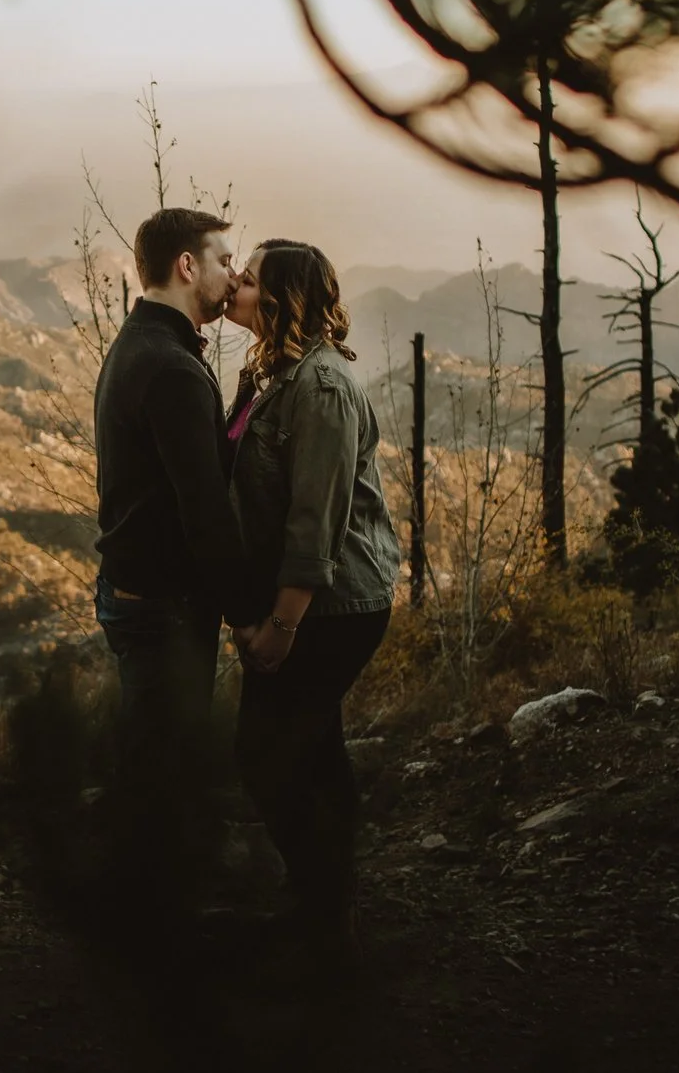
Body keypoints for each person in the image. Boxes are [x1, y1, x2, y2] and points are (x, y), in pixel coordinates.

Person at [222, 238, 401, 952]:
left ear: (281, 298)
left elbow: (315, 519)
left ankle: (321, 909)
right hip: (313, 601)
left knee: (266, 752)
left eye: (248, 276)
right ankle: (326, 909)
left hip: (333, 606)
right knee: (313, 749)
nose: (234, 283)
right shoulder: (275, 371)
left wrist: (282, 624)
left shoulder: (321, 387)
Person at [91, 206, 255, 923]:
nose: (234, 276)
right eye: (224, 260)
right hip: (162, 603)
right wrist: (249, 614)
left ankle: (145, 908)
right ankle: (152, 921)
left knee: (152, 750)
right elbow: (205, 511)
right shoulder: (172, 366)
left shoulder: (141, 345)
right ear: (187, 266)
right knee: (165, 758)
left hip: (134, 591)